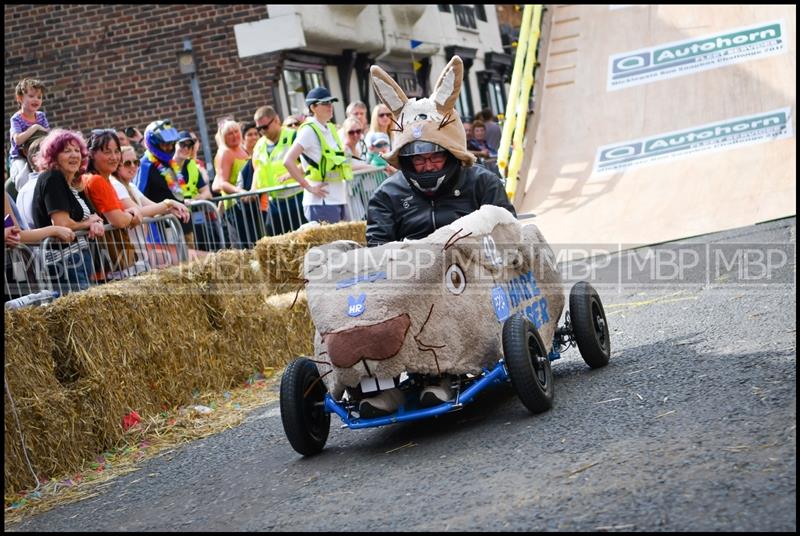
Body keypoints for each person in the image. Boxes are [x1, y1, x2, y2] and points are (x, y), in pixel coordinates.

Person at [362, 57, 516, 417]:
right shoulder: (386, 196)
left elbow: (509, 234)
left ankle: (442, 378)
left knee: (448, 294)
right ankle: (377, 386)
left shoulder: (481, 182)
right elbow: (377, 250)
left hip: (473, 278)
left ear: (448, 152)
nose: (427, 166)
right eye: (417, 161)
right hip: (411, 280)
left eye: (434, 158)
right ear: (404, 160)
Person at [31, 129, 105, 292]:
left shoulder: (73, 184)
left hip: (78, 258)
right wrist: (88, 223)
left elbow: (93, 216)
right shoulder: (52, 178)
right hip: (64, 262)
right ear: (53, 156)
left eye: (77, 150)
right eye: (66, 151)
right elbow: (62, 223)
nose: (74, 155)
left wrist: (96, 222)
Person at [113, 145, 198, 265]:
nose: (133, 166)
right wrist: (168, 203)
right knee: (190, 260)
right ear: (117, 165)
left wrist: (171, 210)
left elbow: (151, 206)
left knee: (190, 260)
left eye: (136, 162)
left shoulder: (131, 186)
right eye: (127, 163)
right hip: (126, 251)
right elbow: (138, 211)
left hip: (139, 249)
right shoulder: (116, 185)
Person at [282, 86, 352, 224]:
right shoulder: (308, 130)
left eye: (331, 102)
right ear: (313, 107)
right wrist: (308, 187)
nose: (330, 106)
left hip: (339, 198)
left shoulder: (330, 127)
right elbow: (288, 161)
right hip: (321, 202)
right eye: (325, 103)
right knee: (332, 246)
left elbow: (342, 161)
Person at [134, 119, 197, 247]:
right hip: (163, 228)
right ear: (154, 143)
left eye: (171, 144)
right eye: (164, 144)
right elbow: (139, 198)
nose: (169, 148)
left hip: (184, 224)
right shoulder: (146, 165)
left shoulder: (171, 162)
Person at [252, 105, 306, 234]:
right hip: (274, 203)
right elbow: (257, 169)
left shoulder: (294, 136)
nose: (262, 132)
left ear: (276, 120)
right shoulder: (259, 145)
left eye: (265, 127)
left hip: (297, 198)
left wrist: (290, 174)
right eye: (259, 128)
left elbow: (308, 163)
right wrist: (253, 189)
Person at [212, 119, 262, 248]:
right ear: (223, 137)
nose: (234, 136)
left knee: (256, 240)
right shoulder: (225, 153)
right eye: (230, 134)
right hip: (235, 206)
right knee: (244, 245)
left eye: (236, 132)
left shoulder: (242, 150)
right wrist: (239, 192)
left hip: (250, 203)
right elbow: (222, 183)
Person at [9, 78, 50, 190]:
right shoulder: (16, 119)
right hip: (20, 156)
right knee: (22, 176)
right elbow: (17, 140)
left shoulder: (41, 116)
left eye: (39, 97)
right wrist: (35, 127)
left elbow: (48, 134)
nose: (36, 99)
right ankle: (25, 196)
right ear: (20, 98)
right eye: (31, 96)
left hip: (39, 153)